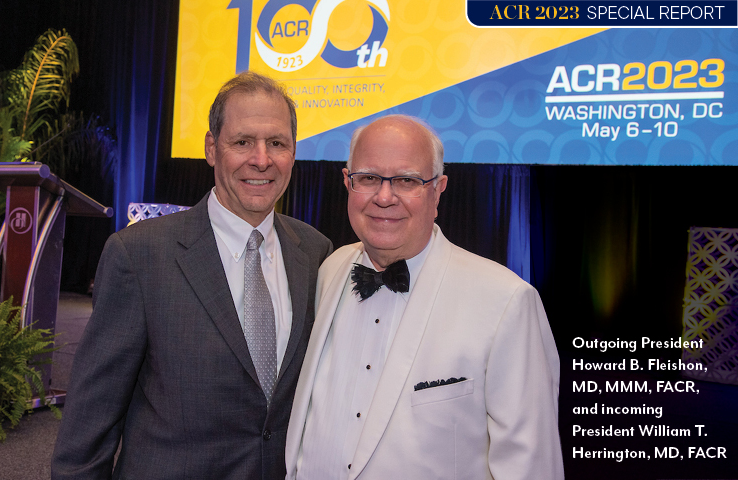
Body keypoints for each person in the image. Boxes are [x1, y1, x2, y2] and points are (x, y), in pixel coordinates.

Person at [51, 71, 333, 479]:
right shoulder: (139, 255)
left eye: (277, 143)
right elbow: (90, 423)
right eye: (242, 142)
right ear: (211, 148)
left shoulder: (315, 252)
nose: (261, 159)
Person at [285, 115, 563, 479]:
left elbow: (531, 466)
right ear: (347, 182)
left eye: (407, 180)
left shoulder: (506, 301)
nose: (385, 197)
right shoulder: (328, 270)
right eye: (368, 178)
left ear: (438, 189)